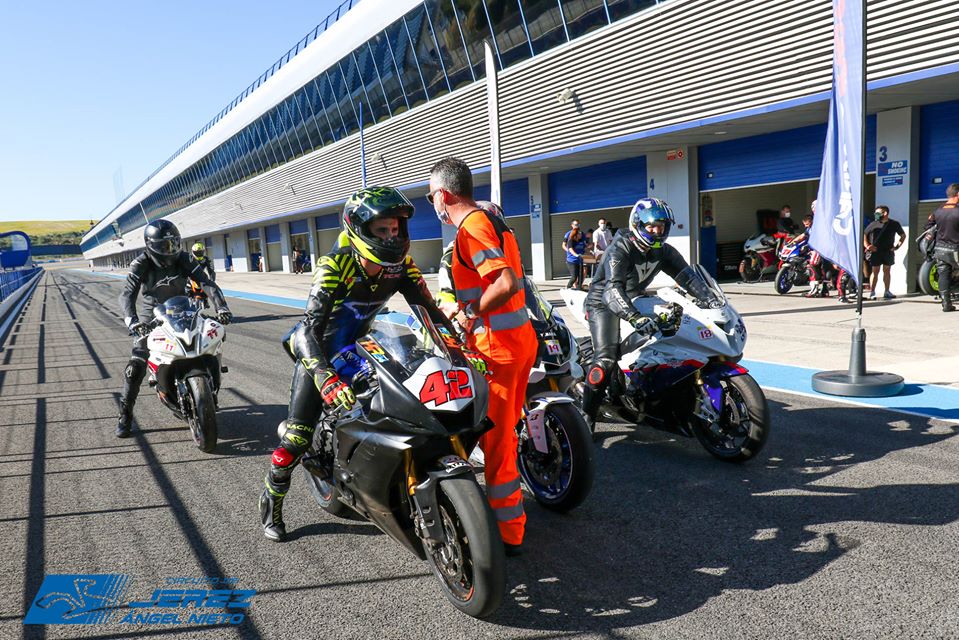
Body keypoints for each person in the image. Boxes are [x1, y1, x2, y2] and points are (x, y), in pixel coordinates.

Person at [258, 186, 460, 541]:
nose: (391, 237)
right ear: (361, 231)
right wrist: (325, 378)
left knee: (411, 400)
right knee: (297, 437)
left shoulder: (402, 265)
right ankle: (271, 501)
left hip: (365, 345)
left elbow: (428, 310)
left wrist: (458, 348)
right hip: (320, 352)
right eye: (382, 230)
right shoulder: (334, 265)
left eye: (395, 230)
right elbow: (307, 329)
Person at [429, 157, 537, 556]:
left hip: (498, 352)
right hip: (519, 341)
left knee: (498, 442)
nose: (432, 206)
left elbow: (505, 282)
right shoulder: (494, 221)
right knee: (506, 431)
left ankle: (509, 533)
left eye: (430, 197)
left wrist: (469, 312)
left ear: (444, 194)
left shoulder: (471, 228)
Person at [580, 197, 719, 429]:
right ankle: (587, 417)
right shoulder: (620, 248)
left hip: (636, 298)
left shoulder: (663, 251)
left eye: (662, 227)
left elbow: (688, 277)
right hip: (603, 302)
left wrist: (711, 299)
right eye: (651, 226)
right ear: (638, 224)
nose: (657, 232)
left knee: (675, 331)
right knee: (605, 359)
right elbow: (612, 288)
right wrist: (635, 317)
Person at [118, 221, 232, 437]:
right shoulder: (140, 263)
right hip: (152, 317)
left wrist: (222, 307)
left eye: (174, 243)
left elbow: (207, 283)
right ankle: (125, 415)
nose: (170, 249)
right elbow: (127, 295)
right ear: (150, 245)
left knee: (210, 342)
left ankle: (209, 386)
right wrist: (132, 322)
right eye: (164, 245)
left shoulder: (185, 258)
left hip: (183, 310)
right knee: (135, 368)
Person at [926, 183, 959, 312]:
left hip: (940, 249)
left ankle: (946, 304)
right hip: (956, 248)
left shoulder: (937, 211)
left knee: (943, 275)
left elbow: (928, 228)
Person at [863, 205, 906, 300]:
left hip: (888, 251)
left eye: (878, 213)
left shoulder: (894, 224)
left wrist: (897, 247)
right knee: (875, 271)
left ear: (885, 213)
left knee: (887, 271)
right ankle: (872, 292)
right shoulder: (873, 224)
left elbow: (903, 235)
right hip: (876, 252)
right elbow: (864, 234)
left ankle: (887, 291)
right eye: (875, 213)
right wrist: (868, 246)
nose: (876, 215)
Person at [562, 219, 587, 290]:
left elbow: (584, 245)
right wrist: (571, 253)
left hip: (580, 259)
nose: (577, 226)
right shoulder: (569, 235)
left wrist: (589, 250)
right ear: (572, 225)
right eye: (576, 225)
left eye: (578, 224)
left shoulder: (582, 234)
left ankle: (579, 288)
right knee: (574, 277)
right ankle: (568, 287)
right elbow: (565, 246)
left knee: (581, 276)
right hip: (572, 259)